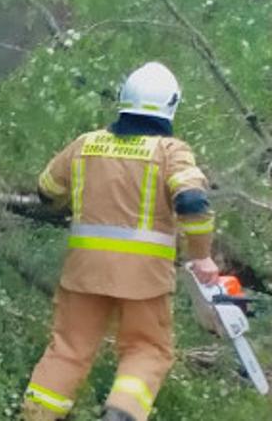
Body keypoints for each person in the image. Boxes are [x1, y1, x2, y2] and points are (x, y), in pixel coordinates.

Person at [18, 62, 218, 421]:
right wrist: (201, 258)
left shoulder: (85, 144)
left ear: (124, 100)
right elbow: (193, 202)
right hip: (144, 280)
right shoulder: (171, 151)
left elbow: (47, 191)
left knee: (67, 351)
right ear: (172, 104)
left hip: (83, 275)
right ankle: (119, 415)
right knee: (147, 351)